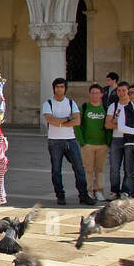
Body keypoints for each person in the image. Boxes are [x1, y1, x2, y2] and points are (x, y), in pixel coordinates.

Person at [42, 77, 94, 206]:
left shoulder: (71, 103)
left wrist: (60, 122)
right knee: (56, 170)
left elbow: (77, 121)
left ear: (65, 88)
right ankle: (60, 195)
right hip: (55, 141)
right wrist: (67, 119)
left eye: (62, 87)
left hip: (70, 140)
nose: (60, 89)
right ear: (54, 88)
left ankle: (83, 195)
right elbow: (50, 120)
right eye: (57, 87)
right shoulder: (48, 103)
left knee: (79, 169)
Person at [75, 84, 111, 200]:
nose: (95, 95)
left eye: (97, 93)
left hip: (102, 144)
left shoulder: (105, 109)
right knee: (88, 169)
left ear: (101, 94)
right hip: (88, 145)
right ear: (89, 94)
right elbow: (77, 126)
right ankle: (88, 191)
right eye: (92, 93)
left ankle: (99, 190)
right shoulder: (84, 108)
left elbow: (109, 127)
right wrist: (82, 142)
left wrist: (108, 142)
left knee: (100, 169)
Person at [104, 82, 132, 200]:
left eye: (123, 91)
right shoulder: (113, 106)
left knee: (128, 167)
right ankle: (114, 190)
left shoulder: (132, 105)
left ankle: (126, 190)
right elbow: (108, 124)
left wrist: (116, 121)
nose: (121, 93)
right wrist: (122, 123)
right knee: (114, 167)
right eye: (119, 91)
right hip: (116, 139)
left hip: (129, 139)